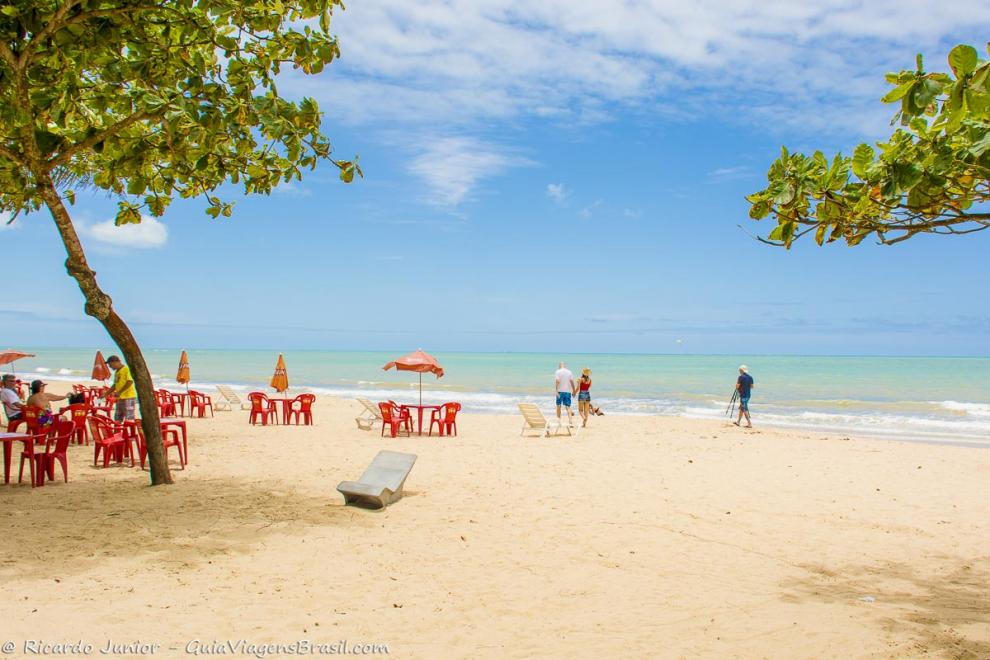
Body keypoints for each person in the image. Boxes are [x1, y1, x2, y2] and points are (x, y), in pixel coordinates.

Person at [106, 355, 138, 422]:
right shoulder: (117, 372)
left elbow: (130, 381)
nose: (110, 367)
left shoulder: (126, 369)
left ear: (115, 362)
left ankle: (130, 432)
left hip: (128, 397)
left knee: (129, 419)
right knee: (117, 418)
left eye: (110, 365)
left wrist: (120, 392)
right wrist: (106, 394)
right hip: (120, 398)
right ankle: (117, 432)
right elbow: (115, 385)